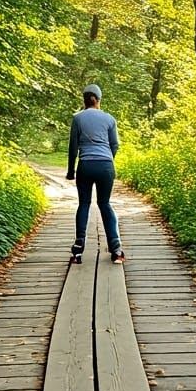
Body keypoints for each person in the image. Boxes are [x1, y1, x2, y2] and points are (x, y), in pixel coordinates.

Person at [66, 84, 124, 262]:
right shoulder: (109, 119)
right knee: (105, 204)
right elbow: (114, 144)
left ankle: (78, 248)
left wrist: (71, 170)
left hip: (86, 165)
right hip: (106, 166)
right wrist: (108, 160)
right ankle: (116, 249)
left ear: (84, 101)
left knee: (84, 204)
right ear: (99, 99)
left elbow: (73, 147)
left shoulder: (78, 119)